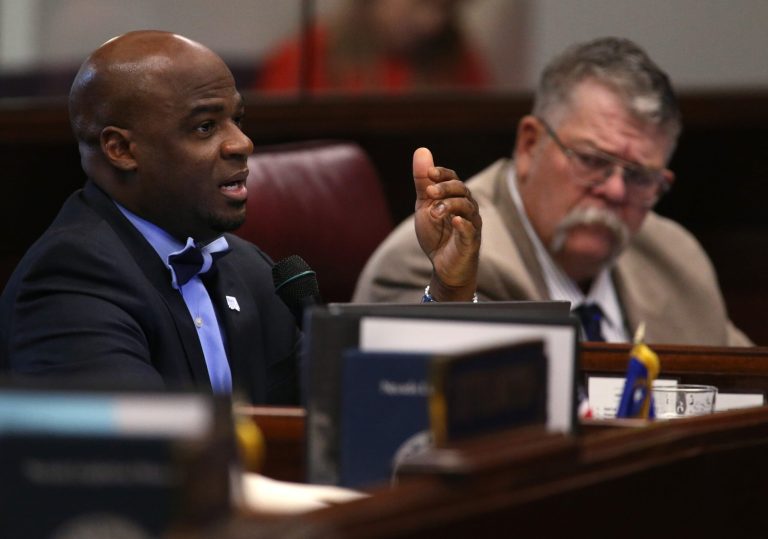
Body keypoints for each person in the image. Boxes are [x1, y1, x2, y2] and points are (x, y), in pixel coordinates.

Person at [0, 30, 481, 404]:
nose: (242, 143)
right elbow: (141, 464)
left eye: (237, 120)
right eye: (205, 126)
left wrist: (448, 289)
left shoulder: (249, 269)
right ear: (122, 149)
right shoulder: (71, 279)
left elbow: (355, 407)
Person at [353, 36, 751, 346]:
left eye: (640, 176)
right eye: (592, 160)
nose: (615, 190)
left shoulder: (677, 261)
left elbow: (749, 393)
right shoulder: (433, 257)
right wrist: (449, 290)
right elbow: (414, 400)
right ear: (530, 144)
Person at [254, 0, 490, 94]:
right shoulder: (306, 55)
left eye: (445, 9)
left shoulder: (454, 56)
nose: (431, 23)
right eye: (420, 3)